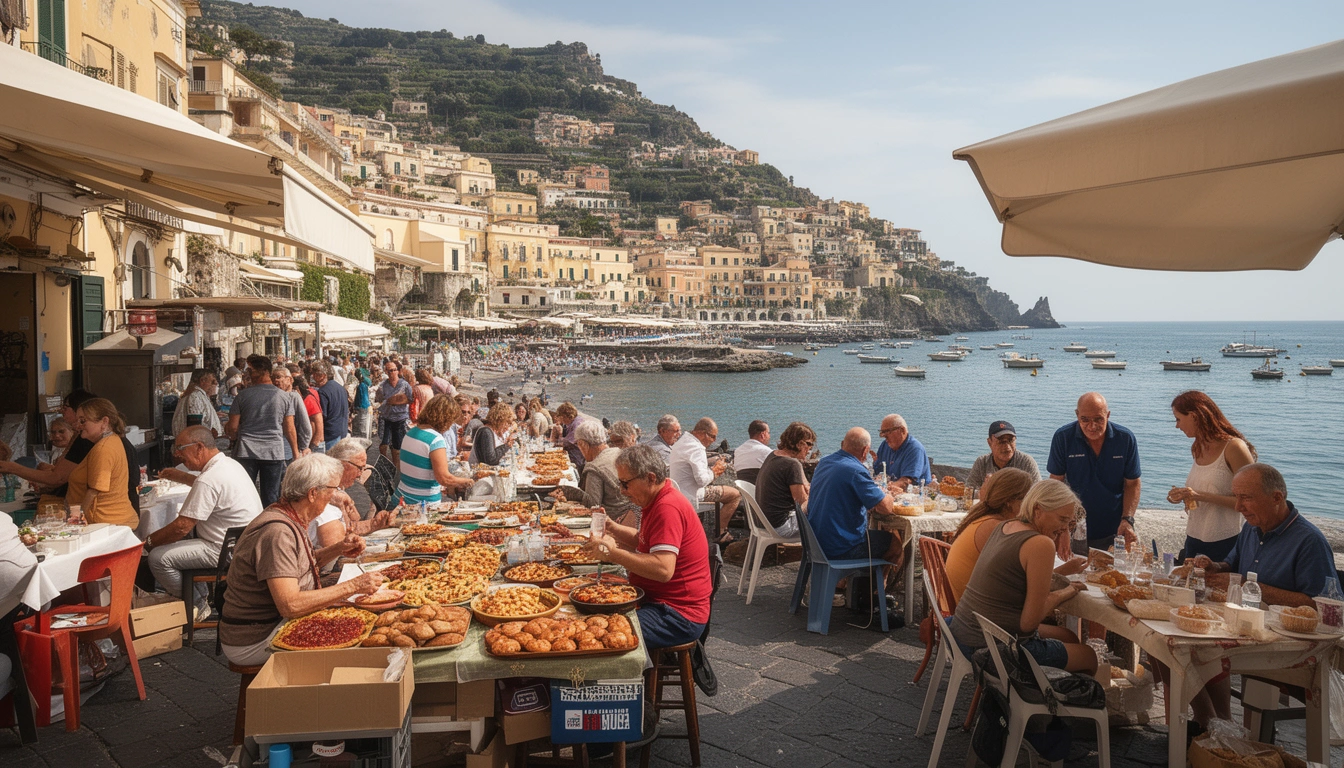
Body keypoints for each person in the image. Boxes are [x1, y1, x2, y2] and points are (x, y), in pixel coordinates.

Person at [219, 455, 386, 666]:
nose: (335, 495)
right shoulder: (278, 532)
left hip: (270, 624)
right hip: (257, 636)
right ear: (313, 493)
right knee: (364, 645)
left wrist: (338, 549)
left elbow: (296, 565)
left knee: (367, 620)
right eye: (333, 489)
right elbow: (290, 605)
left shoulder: (288, 515)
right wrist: (353, 586)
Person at [948, 479, 1095, 673]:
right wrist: (1064, 593)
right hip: (990, 648)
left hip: (962, 632)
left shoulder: (1005, 526)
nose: (1064, 529)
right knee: (1089, 656)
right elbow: (1028, 624)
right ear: (1037, 510)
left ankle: (1045, 689)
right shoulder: (1041, 544)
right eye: (1061, 520)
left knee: (1068, 637)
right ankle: (1034, 692)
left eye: (1069, 523)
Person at [582, 444, 712, 649]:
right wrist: (612, 527)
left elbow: (663, 569)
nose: (622, 490)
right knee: (590, 615)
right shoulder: (658, 498)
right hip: (658, 602)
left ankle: (633, 669)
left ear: (650, 478)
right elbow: (643, 540)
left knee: (603, 637)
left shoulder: (667, 507)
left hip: (676, 614)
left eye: (625, 484)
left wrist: (612, 554)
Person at [146, 425, 263, 621]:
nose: (177, 454)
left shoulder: (209, 478)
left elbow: (181, 527)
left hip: (226, 550)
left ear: (199, 447)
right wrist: (181, 476)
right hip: (244, 543)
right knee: (180, 542)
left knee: (157, 558)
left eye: (180, 448)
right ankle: (199, 596)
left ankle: (197, 604)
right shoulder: (228, 464)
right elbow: (209, 488)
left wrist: (149, 542)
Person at [945, 469, 1085, 601]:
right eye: (1026, 499)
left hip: (965, 604)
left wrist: (1061, 529)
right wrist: (1064, 571)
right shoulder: (997, 528)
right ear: (1009, 502)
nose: (1029, 505)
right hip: (973, 610)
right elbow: (1025, 590)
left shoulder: (986, 519)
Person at [0, 390, 137, 508]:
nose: (61, 411)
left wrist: (12, 467)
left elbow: (63, 480)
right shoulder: (95, 439)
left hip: (109, 515)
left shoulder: (96, 443)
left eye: (65, 407)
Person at [1166, 391, 1257, 562]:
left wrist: (1199, 495)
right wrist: (1184, 497)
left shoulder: (1234, 448)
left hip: (1227, 541)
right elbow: (1202, 491)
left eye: (1178, 419)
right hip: (1194, 537)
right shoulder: (1198, 447)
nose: (1177, 426)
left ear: (1194, 416)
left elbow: (1253, 501)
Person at [1048, 392, 1141, 552]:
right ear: (1077, 415)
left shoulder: (1125, 439)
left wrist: (1128, 519)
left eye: (1098, 419)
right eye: (1085, 419)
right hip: (1074, 527)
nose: (1092, 426)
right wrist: (1060, 527)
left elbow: (1132, 483)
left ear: (1108, 415)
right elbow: (1055, 483)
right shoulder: (1063, 437)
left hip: (1115, 529)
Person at [807, 427, 904, 572]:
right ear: (865, 451)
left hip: (816, 544)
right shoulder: (855, 470)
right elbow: (885, 508)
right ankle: (872, 584)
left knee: (879, 537)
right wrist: (889, 495)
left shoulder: (825, 462)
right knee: (895, 544)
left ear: (843, 444)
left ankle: (857, 580)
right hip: (840, 548)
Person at [227, 355, 298, 507]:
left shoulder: (242, 396)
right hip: (273, 451)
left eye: (250, 370)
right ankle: (269, 521)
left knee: (245, 494)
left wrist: (232, 436)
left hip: (246, 451)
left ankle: (248, 521)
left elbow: (232, 427)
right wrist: (295, 453)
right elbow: (289, 429)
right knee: (271, 496)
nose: (247, 374)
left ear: (262, 371)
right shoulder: (284, 397)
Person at [65, 398, 139, 528]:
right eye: (77, 421)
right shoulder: (111, 441)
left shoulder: (103, 448)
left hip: (106, 524)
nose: (78, 425)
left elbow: (94, 491)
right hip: (111, 522)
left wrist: (77, 520)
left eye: (83, 421)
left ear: (104, 421)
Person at [668, 418, 741, 544]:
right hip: (691, 494)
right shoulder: (697, 448)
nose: (714, 440)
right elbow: (701, 481)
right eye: (712, 436)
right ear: (702, 433)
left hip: (677, 490)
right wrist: (715, 471)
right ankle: (721, 534)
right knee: (734, 495)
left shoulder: (683, 441)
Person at [551, 421, 638, 525]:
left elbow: (592, 505)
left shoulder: (594, 468)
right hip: (633, 517)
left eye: (578, 444)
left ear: (583, 444)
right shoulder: (619, 453)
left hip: (612, 522)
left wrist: (570, 493)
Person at [398, 395, 474, 504]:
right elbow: (444, 478)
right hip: (422, 502)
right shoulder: (435, 440)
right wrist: (468, 481)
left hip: (402, 496)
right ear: (445, 418)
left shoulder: (411, 432)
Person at [753, 422, 816, 538]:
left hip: (763, 523)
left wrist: (807, 488)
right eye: (809, 444)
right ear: (799, 444)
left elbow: (805, 484)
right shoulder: (792, 464)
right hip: (781, 527)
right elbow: (802, 503)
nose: (810, 449)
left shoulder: (773, 455)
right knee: (825, 513)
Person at [326, 438, 395, 535]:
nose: (361, 474)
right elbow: (345, 534)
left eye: (364, 468)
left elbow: (352, 526)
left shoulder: (338, 488)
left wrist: (376, 523)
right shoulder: (327, 492)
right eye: (359, 468)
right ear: (344, 464)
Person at [966, 420, 1041, 489]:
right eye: (1001, 441)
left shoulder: (1026, 463)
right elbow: (969, 490)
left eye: (1010, 440)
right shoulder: (982, 462)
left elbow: (1038, 493)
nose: (1007, 446)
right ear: (989, 442)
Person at [874, 414, 932, 490]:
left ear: (902, 430)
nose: (884, 436)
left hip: (914, 494)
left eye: (887, 432)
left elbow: (906, 481)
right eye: (882, 432)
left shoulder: (915, 449)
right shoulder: (885, 445)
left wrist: (886, 489)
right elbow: (877, 472)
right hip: (890, 491)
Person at [270, 367, 313, 466]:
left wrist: (303, 447)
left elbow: (304, 424)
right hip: (274, 450)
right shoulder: (273, 396)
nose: (275, 380)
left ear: (289, 379)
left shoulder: (293, 397)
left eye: (279, 377)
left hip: (289, 450)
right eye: (273, 378)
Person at [375, 360, 414, 464]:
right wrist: (386, 401)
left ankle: (396, 466)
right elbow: (378, 400)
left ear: (398, 371)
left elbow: (411, 399)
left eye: (394, 370)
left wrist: (398, 400)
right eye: (390, 371)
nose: (392, 372)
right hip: (386, 417)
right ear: (386, 372)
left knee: (397, 446)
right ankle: (387, 463)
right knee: (383, 444)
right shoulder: (383, 386)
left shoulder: (404, 385)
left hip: (400, 418)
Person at [170, 369, 222, 437]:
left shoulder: (198, 395)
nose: (214, 384)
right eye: (212, 382)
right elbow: (194, 425)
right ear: (202, 381)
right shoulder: (195, 396)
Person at [313, 361, 350, 451]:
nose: (313, 377)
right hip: (342, 431)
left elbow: (321, 416)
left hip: (330, 435)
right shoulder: (340, 388)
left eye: (315, 374)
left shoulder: (323, 392)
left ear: (323, 376)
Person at [292, 370, 324, 454]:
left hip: (314, 445)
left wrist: (312, 447)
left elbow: (319, 424)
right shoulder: (305, 397)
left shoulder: (308, 399)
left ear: (297, 389)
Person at [732, 420, 772, 485]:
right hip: (760, 488)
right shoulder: (767, 451)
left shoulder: (738, 451)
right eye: (768, 433)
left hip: (742, 487)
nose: (769, 436)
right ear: (763, 435)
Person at [551, 402, 585, 470]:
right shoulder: (573, 422)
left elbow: (566, 443)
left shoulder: (577, 424)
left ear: (566, 416)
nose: (562, 420)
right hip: (571, 455)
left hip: (576, 459)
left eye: (562, 418)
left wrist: (558, 435)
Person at [351, 370, 372, 439]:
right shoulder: (362, 385)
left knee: (361, 428)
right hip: (363, 406)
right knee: (362, 427)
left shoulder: (361, 386)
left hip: (362, 407)